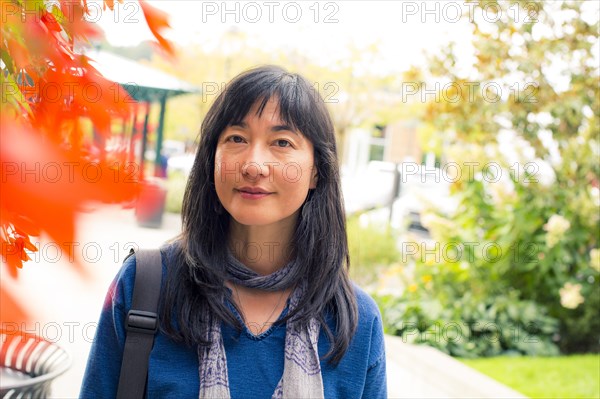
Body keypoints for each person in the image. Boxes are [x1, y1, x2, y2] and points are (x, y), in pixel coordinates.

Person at [80, 65, 387, 398]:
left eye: (281, 142)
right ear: (212, 158)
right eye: (237, 139)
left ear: (316, 171)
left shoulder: (355, 322)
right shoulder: (146, 285)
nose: (253, 165)